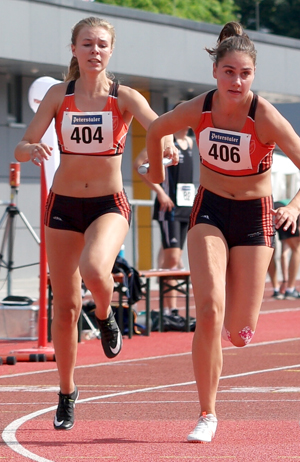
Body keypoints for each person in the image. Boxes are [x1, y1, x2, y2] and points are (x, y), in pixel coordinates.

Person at [146, 21, 300, 443]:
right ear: (215, 72)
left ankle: (236, 320)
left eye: (244, 73)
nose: (236, 80)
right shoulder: (199, 108)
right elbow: (155, 129)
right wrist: (158, 172)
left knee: (241, 333)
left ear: (253, 75)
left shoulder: (265, 116)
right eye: (229, 71)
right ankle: (207, 413)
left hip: (255, 217)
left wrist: (296, 207)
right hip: (209, 210)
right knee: (207, 310)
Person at [14, 16, 176, 431]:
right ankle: (67, 392)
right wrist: (30, 149)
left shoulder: (124, 97)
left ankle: (105, 316)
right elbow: (21, 144)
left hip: (108, 203)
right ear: (74, 50)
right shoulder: (59, 95)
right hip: (63, 207)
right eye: (87, 44)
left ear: (110, 50)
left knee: (94, 268)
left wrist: (167, 148)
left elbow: (160, 127)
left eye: (102, 44)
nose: (94, 51)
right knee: (64, 307)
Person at [134, 106, 194, 313]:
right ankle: (170, 309)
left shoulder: (191, 143)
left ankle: (169, 306)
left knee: (174, 257)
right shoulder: (166, 140)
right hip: (168, 207)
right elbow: (139, 164)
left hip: (186, 206)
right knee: (173, 258)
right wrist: (160, 192)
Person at [269, 202, 300, 299]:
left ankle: (276, 289)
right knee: (297, 249)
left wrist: (285, 280)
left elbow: (284, 254)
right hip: (284, 211)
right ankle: (290, 289)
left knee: (270, 251)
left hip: (272, 209)